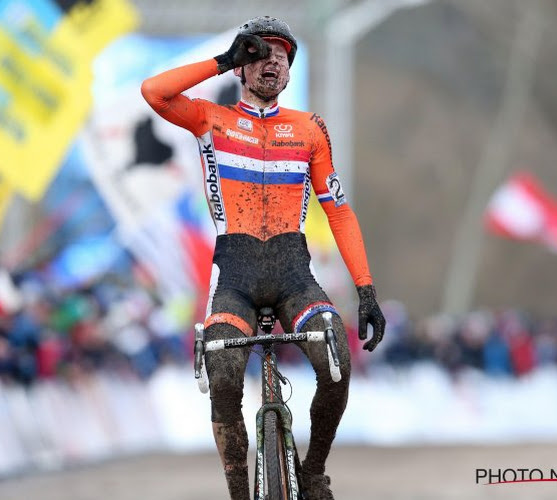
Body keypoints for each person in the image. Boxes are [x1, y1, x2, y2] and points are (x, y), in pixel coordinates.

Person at [142, 16, 386, 500]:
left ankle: (313, 472)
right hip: (235, 274)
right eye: (260, 53)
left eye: (282, 55)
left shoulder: (310, 129)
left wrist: (366, 289)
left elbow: (338, 211)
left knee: (336, 360)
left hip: (294, 274)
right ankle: (238, 490)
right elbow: (154, 92)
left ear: (290, 72)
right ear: (242, 68)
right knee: (226, 376)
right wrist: (222, 60)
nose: (272, 61)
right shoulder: (211, 119)